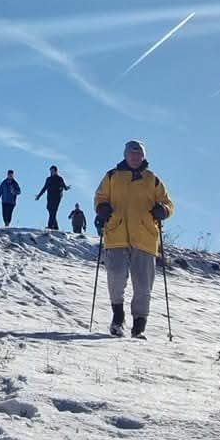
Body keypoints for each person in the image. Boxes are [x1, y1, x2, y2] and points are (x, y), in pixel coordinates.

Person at [94, 139, 173, 339]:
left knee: (143, 284)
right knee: (116, 276)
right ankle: (118, 318)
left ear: (143, 157)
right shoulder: (112, 176)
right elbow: (100, 197)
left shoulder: (152, 179)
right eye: (132, 154)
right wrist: (102, 208)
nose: (136, 157)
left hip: (145, 237)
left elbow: (168, 203)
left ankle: (139, 327)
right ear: (125, 155)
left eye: (139, 154)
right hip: (116, 234)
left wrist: (163, 210)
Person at [36, 165, 68, 231]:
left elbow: (64, 187)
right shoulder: (48, 179)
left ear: (56, 171)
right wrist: (39, 195)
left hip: (57, 197)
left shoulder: (59, 178)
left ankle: (50, 226)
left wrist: (66, 188)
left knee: (54, 211)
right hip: (50, 197)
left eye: (53, 171)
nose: (52, 172)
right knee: (49, 209)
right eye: (51, 171)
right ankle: (55, 226)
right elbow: (44, 188)